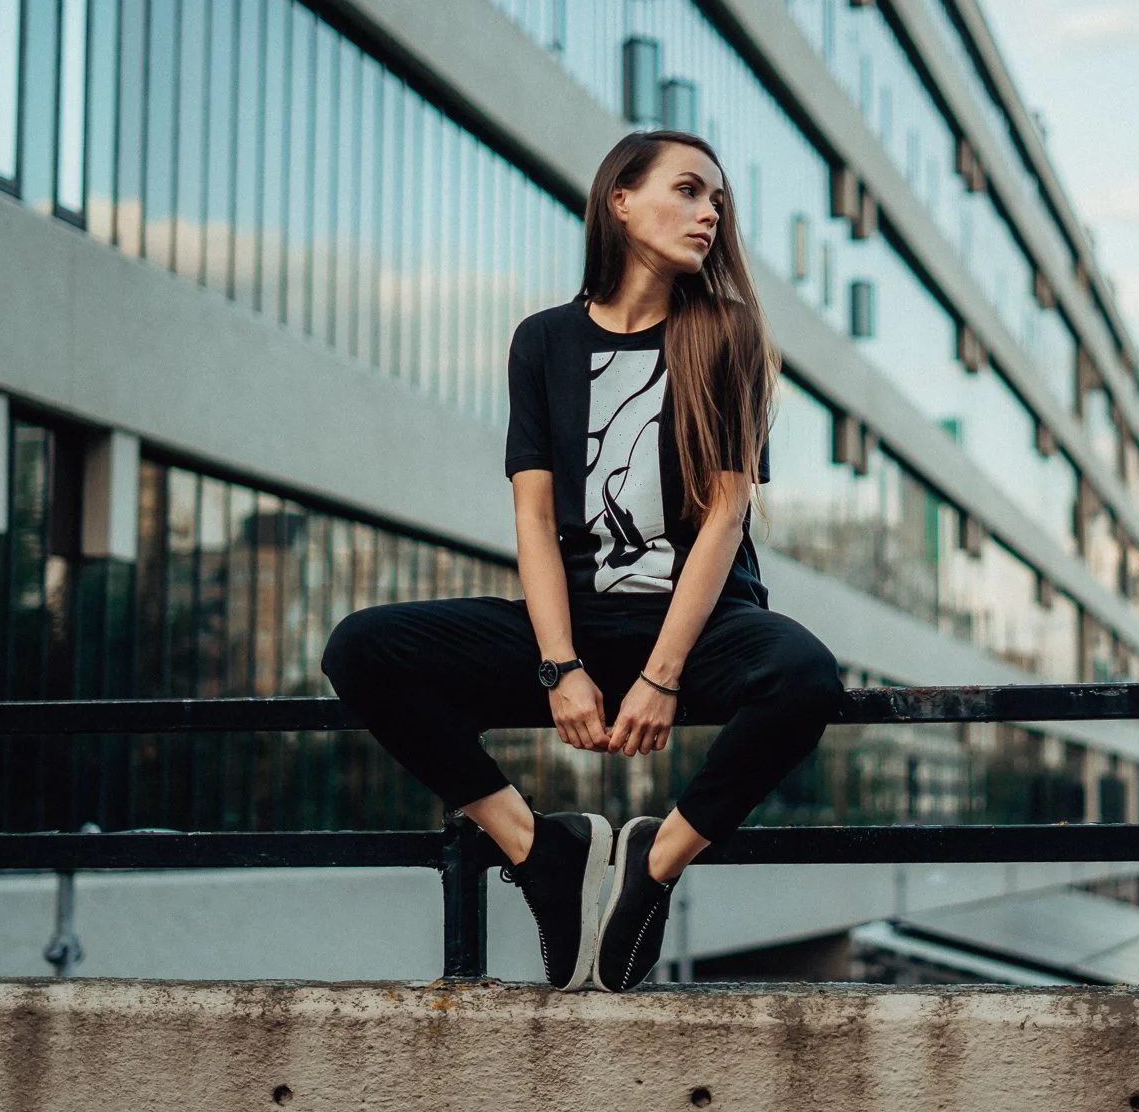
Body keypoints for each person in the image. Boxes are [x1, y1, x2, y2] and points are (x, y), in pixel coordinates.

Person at [322, 129, 846, 992]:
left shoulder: (728, 337)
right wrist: (559, 664)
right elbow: (531, 518)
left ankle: (655, 860)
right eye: (687, 190)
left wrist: (663, 676)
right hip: (571, 626)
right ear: (621, 201)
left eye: (717, 199)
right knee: (363, 648)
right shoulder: (543, 342)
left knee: (805, 675)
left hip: (701, 628)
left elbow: (723, 522)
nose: (709, 212)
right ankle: (539, 850)